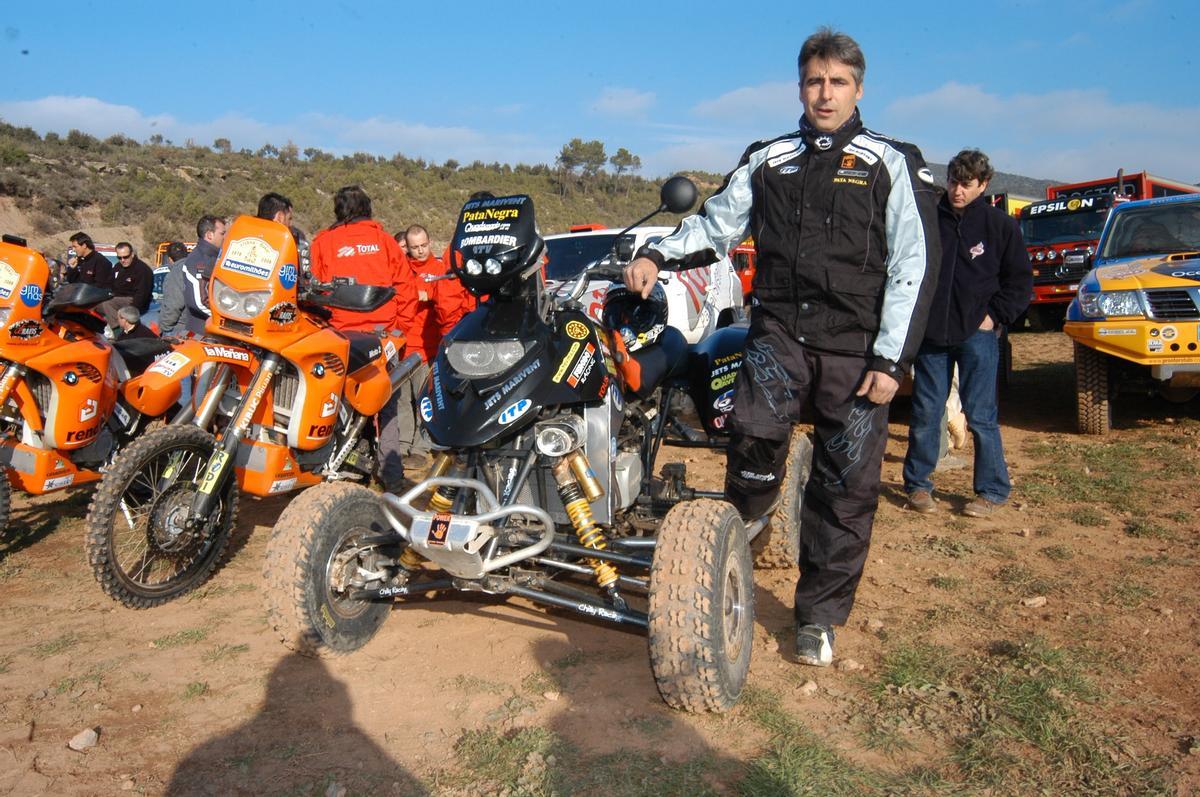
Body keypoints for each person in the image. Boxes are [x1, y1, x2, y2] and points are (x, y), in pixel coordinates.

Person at [623, 27, 939, 667]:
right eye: (814, 81)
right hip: (780, 336)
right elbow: (715, 226)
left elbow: (915, 261)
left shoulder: (891, 161)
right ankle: (747, 525)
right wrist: (656, 251)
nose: (825, 93)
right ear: (800, 86)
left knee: (844, 490)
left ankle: (818, 617)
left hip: (857, 351)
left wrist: (891, 360)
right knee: (751, 436)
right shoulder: (769, 158)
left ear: (858, 88)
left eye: (838, 82)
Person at [903, 150, 1032, 518]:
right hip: (931, 336)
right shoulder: (928, 221)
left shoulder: (1000, 226)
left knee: (981, 415)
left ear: (984, 185)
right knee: (927, 411)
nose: (958, 191)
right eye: (954, 182)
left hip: (977, 336)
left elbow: (1020, 282)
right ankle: (918, 485)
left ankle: (992, 490)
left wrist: (994, 317)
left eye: (967, 184)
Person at [308, 185, 414, 491]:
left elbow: (314, 288)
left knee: (339, 403)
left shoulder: (323, 242)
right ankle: (391, 473)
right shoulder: (384, 242)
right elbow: (405, 287)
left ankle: (345, 466)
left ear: (338, 210)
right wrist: (400, 329)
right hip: (383, 336)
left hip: (340, 337)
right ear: (367, 208)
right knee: (386, 405)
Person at [395, 224, 473, 467]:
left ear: (430, 243)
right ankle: (401, 446)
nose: (420, 251)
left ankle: (421, 447)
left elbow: (447, 304)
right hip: (400, 346)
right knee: (400, 401)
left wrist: (428, 296)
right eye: (415, 247)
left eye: (424, 246)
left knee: (423, 400)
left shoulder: (440, 270)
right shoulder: (401, 271)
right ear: (406, 247)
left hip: (426, 348)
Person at [179, 215, 228, 336]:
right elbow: (198, 301)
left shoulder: (217, 258)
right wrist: (228, 320)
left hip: (215, 331)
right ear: (209, 235)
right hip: (202, 333)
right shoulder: (198, 260)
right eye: (222, 233)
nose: (225, 237)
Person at [97, 242, 154, 328]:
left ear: (132, 254)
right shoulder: (118, 266)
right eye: (119, 257)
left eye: (125, 257)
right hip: (117, 297)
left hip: (133, 300)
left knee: (108, 304)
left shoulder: (142, 270)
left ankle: (118, 333)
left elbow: (142, 294)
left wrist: (132, 312)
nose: (122, 260)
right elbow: (108, 284)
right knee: (94, 305)